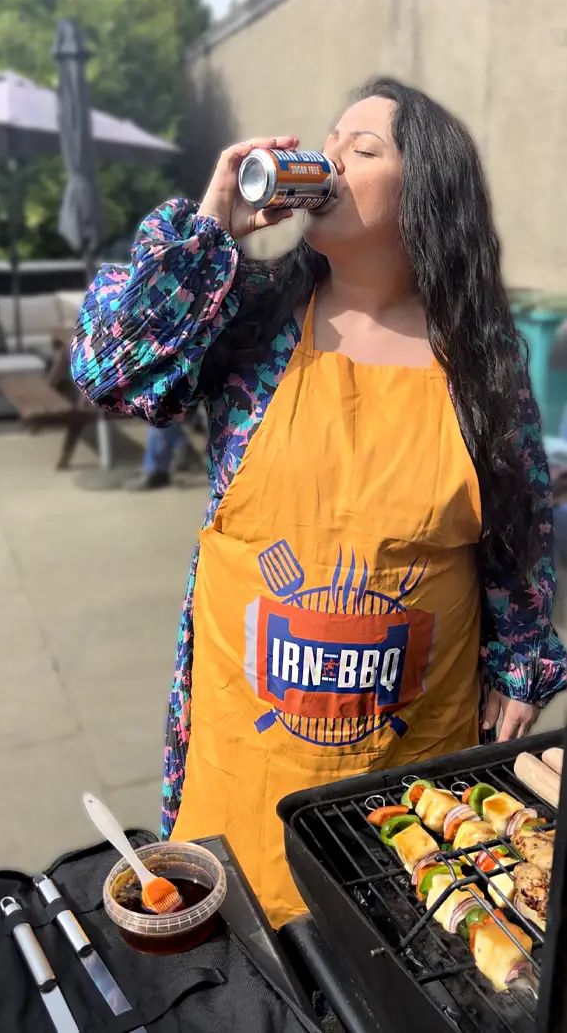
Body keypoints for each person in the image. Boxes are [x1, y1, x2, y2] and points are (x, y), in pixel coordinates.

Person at [71, 77, 567, 928]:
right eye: (327, 141)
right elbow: (108, 371)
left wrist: (521, 655)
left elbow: (517, 522)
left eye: (362, 149)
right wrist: (207, 234)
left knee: (399, 943)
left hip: (410, 749)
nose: (327, 160)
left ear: (427, 197)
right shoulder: (252, 316)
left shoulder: (478, 356)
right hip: (247, 744)